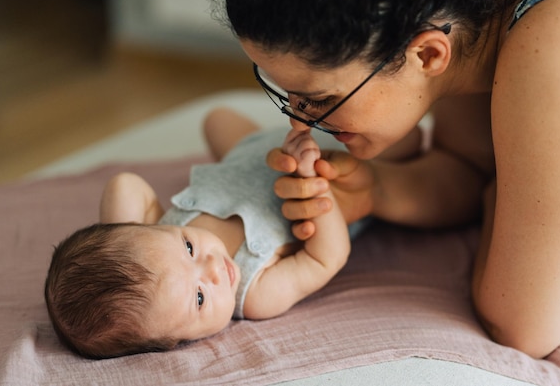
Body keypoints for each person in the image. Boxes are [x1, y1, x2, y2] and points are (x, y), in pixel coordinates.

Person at [220, 0, 560, 358]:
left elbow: (522, 327)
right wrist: (377, 190)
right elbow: (467, 166)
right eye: (284, 92)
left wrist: (505, 182)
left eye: (320, 99)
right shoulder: (474, 5)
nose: (296, 118)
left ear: (426, 54)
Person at [44, 108, 351, 359]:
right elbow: (328, 257)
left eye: (189, 248)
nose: (214, 268)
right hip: (332, 178)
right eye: (200, 297)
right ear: (176, 342)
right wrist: (311, 181)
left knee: (216, 118)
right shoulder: (256, 294)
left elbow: (123, 185)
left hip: (254, 152)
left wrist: (130, 244)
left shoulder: (163, 227)